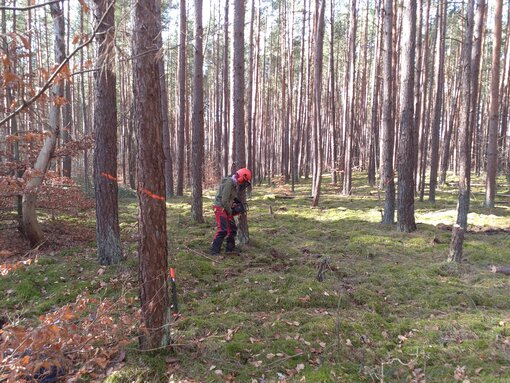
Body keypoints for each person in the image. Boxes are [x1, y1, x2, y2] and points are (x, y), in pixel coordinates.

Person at [210, 168, 252, 255]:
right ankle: (214, 251)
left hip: (225, 207)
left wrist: (237, 202)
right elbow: (224, 200)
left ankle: (230, 249)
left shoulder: (233, 184)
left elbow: (230, 197)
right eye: (243, 181)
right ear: (241, 177)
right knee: (223, 229)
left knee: (232, 229)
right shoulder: (229, 183)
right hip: (220, 207)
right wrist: (230, 212)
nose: (243, 183)